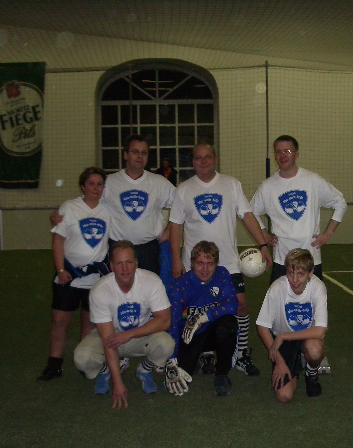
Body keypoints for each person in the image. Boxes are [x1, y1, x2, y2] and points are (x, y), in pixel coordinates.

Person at [169, 141, 272, 377]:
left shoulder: (231, 184)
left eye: (208, 157)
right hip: (196, 265)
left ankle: (242, 354)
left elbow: (247, 216)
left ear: (215, 159)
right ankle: (206, 353)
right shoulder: (183, 189)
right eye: (198, 158)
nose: (203, 161)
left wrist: (263, 244)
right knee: (197, 309)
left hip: (227, 261)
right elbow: (175, 226)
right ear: (192, 162)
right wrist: (176, 260)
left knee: (240, 305)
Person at [250, 134, 346, 373]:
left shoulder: (312, 180)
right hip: (282, 260)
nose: (282, 156)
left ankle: (315, 353)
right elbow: (251, 212)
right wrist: (264, 235)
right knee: (280, 312)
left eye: (287, 151)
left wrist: (327, 233)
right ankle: (283, 352)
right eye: (278, 151)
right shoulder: (268, 186)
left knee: (312, 312)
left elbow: (340, 202)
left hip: (311, 260)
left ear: (297, 154)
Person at [52, 134, 175, 276]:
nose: (140, 156)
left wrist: (169, 230)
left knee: (148, 288)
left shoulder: (159, 183)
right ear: (125, 155)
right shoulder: (109, 182)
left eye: (144, 153)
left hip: (148, 249)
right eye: (135, 152)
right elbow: (87, 205)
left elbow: (181, 205)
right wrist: (60, 216)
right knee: (117, 289)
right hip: (117, 248)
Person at [73, 241, 174, 409]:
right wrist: (117, 383)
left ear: (136, 263)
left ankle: (144, 370)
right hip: (110, 337)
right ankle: (105, 370)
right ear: (111, 266)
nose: (125, 268)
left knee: (166, 344)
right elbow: (108, 341)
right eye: (119, 263)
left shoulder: (152, 281)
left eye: (129, 262)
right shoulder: (100, 290)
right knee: (82, 358)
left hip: (140, 335)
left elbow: (164, 320)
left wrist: (128, 334)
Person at [38, 167, 111, 381]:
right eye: (91, 184)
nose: (95, 188)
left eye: (99, 184)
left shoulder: (108, 210)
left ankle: (84, 362)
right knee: (60, 321)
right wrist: (60, 270)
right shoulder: (69, 208)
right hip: (69, 275)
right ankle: (54, 365)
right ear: (82, 186)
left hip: (95, 279)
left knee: (89, 324)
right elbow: (58, 240)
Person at [165, 241, 239, 397]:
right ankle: (197, 360)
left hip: (213, 332)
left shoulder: (221, 274)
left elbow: (232, 304)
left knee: (229, 323)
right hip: (190, 336)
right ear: (192, 263)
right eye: (200, 263)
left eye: (210, 264)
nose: (205, 269)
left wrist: (204, 317)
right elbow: (172, 324)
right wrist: (172, 360)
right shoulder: (180, 286)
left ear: (216, 264)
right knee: (182, 375)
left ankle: (222, 374)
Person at [256, 248, 328, 403]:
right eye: (290, 273)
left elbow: (320, 331)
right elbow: (262, 326)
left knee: (315, 349)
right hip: (285, 345)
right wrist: (279, 361)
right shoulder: (277, 287)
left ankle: (311, 372)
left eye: (301, 274)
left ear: (311, 273)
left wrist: (283, 336)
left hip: (306, 338)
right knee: (284, 396)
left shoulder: (318, 287)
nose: (294, 280)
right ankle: (295, 365)